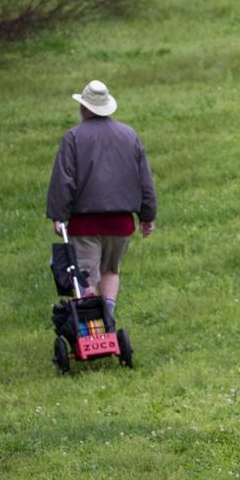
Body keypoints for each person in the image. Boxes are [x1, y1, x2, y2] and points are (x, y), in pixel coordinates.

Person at [47, 80, 157, 320]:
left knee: (84, 277)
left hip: (85, 225)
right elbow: (144, 180)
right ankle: (107, 318)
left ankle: (94, 329)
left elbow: (63, 181)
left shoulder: (73, 138)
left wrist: (59, 216)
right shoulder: (129, 135)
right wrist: (147, 216)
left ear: (85, 108)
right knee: (110, 270)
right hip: (121, 225)